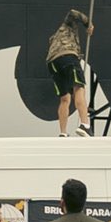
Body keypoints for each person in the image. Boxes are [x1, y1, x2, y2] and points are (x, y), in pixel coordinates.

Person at [44, 9, 94, 137]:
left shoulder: (55, 39)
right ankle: (85, 124)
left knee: (65, 98)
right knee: (79, 88)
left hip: (53, 63)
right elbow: (73, 13)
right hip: (68, 57)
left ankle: (63, 132)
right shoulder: (67, 25)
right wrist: (88, 24)